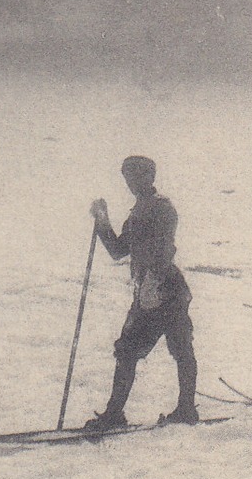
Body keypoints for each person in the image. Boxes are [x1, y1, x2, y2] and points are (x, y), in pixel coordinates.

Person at [83, 156, 198, 430]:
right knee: (129, 351)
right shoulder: (138, 213)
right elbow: (119, 250)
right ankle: (116, 414)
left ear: (150, 177)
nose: (131, 183)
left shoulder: (162, 209)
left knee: (178, 349)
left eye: (136, 177)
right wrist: (102, 220)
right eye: (128, 178)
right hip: (149, 291)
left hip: (166, 290)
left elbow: (165, 249)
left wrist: (154, 281)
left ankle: (185, 409)